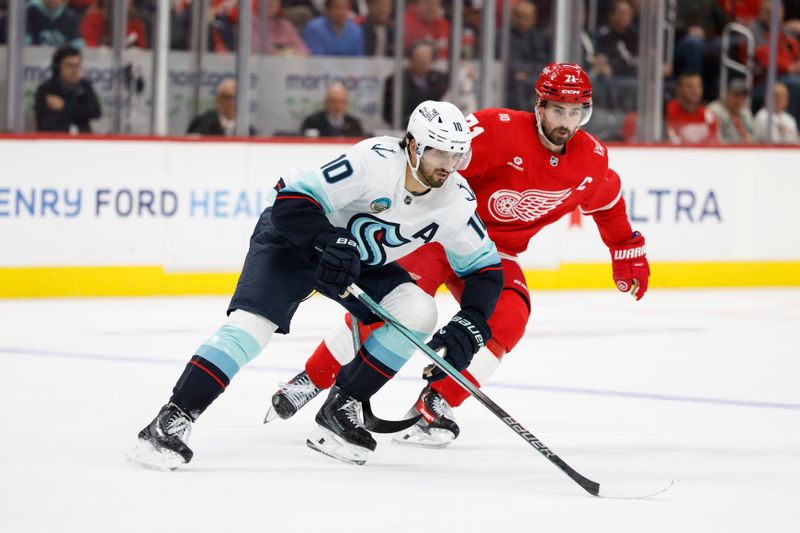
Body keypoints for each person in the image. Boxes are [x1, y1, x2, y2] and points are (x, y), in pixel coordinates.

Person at [265, 62, 651, 448]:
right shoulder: (494, 129)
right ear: (539, 106)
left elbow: (608, 200)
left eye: (576, 112)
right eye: (557, 110)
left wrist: (626, 248)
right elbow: (420, 163)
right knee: (393, 309)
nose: (566, 122)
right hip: (437, 233)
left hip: (494, 252)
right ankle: (312, 378)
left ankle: (438, 399)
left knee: (509, 317)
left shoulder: (590, 160)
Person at [128, 100, 503, 468]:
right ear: (414, 146)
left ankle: (342, 407)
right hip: (294, 239)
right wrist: (327, 240)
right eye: (440, 154)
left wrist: (473, 320)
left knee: (418, 312)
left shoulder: (456, 200)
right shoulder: (374, 161)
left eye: (458, 156)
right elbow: (293, 201)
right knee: (250, 328)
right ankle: (172, 419)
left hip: (358, 261)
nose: (449, 166)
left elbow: (485, 269)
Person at [34, 46, 101, 133]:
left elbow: (95, 112)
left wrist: (64, 106)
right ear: (57, 67)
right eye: (69, 66)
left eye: (77, 66)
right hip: (56, 142)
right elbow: (46, 122)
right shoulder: (46, 89)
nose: (74, 70)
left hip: (83, 142)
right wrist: (77, 112)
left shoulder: (84, 86)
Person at [382, 40, 448, 125]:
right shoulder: (396, 80)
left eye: (425, 61)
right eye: (419, 61)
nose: (422, 64)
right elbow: (389, 114)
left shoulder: (440, 79)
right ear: (411, 59)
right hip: (407, 128)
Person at [187, 78, 257, 136]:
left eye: (236, 98)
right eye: (227, 97)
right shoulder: (202, 123)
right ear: (218, 100)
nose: (232, 102)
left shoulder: (249, 131)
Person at [665, 70, 719, 144]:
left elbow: (714, 144)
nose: (695, 90)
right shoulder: (668, 110)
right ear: (679, 89)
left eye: (698, 86)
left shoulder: (709, 115)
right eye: (689, 86)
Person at [300, 82, 366, 137]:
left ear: (346, 103)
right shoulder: (312, 122)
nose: (337, 106)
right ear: (326, 102)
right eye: (334, 102)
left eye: (341, 102)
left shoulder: (354, 124)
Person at [707, 78, 755, 143]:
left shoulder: (745, 111)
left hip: (745, 151)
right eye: (736, 96)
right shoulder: (714, 111)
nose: (740, 101)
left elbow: (753, 135)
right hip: (723, 152)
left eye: (743, 97)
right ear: (726, 94)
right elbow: (716, 140)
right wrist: (739, 145)